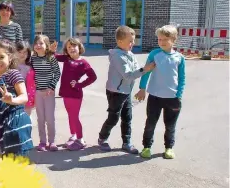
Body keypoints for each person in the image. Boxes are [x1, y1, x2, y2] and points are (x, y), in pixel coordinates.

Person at [97, 26, 155, 154]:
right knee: (113, 117)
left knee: (127, 117)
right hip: (116, 92)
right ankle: (102, 138)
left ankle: (126, 142)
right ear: (120, 42)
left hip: (126, 91)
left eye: (133, 40)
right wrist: (145, 69)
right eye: (130, 41)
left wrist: (144, 69)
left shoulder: (130, 54)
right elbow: (128, 75)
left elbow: (136, 69)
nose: (133, 43)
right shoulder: (118, 56)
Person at [136, 25, 185, 159]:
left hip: (172, 98)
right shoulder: (154, 54)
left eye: (165, 39)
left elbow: (181, 78)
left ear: (173, 39)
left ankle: (169, 147)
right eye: (159, 39)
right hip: (155, 97)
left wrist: (179, 94)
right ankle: (146, 147)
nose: (161, 42)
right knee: (150, 123)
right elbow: (146, 72)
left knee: (170, 126)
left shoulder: (179, 58)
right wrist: (142, 88)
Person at [0, 39, 34, 157]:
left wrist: (12, 100)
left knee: (17, 162)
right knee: (8, 161)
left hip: (16, 122)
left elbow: (24, 97)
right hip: (3, 124)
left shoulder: (13, 74)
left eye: (1, 57)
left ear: (10, 57)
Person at [54, 38, 97, 151]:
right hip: (65, 93)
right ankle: (73, 135)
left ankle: (80, 139)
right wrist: (52, 51)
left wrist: (79, 84)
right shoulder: (66, 58)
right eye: (69, 47)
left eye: (74, 46)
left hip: (75, 94)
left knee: (74, 116)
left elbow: (93, 77)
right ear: (66, 50)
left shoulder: (83, 63)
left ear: (79, 47)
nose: (72, 48)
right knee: (70, 115)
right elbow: (56, 57)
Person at [31, 35, 61, 152]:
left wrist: (51, 87)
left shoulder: (51, 58)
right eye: (36, 43)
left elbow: (57, 73)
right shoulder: (33, 59)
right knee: (40, 118)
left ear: (46, 46)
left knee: (50, 118)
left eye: (41, 43)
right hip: (38, 92)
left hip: (49, 92)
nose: (38, 46)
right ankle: (42, 141)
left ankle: (52, 141)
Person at [15, 41, 35, 116]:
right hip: (15, 95)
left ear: (28, 53)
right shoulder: (12, 65)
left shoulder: (30, 66)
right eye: (19, 52)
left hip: (27, 95)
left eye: (24, 52)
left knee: (27, 116)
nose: (22, 54)